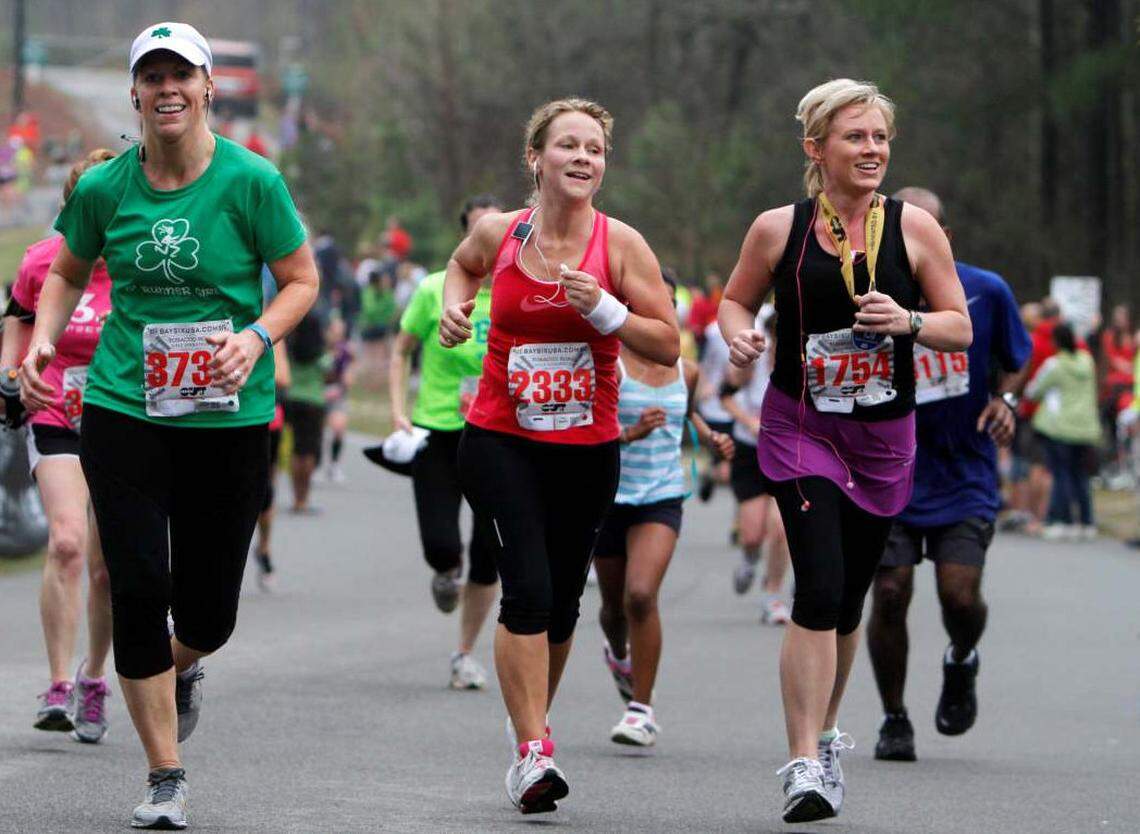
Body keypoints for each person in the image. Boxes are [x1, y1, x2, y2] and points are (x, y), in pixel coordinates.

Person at [18, 22, 317, 829]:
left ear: (208, 86)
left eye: (180, 74)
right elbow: (65, 271)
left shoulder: (253, 181)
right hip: (123, 409)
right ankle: (164, 775)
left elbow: (300, 280)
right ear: (136, 95)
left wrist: (255, 337)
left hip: (227, 416)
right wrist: (45, 333)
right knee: (140, 585)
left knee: (210, 615)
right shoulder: (105, 187)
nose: (166, 89)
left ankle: (181, 669)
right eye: (151, 77)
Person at [718, 79, 971, 823]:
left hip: (883, 441)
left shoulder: (916, 229)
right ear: (816, 148)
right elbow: (737, 297)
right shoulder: (777, 229)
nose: (872, 150)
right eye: (855, 137)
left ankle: (827, 735)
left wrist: (912, 322)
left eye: (880, 138)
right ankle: (802, 763)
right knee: (819, 588)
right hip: (802, 428)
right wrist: (739, 332)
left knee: (851, 598)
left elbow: (959, 325)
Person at [440, 97, 678, 815]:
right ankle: (532, 752)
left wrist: (604, 309)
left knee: (565, 607)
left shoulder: (622, 245)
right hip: (502, 438)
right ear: (535, 158)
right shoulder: (501, 232)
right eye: (567, 146)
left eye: (595, 149)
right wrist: (457, 307)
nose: (582, 158)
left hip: (586, 444)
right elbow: (461, 265)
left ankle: (533, 725)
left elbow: (666, 343)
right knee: (530, 592)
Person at [866, 187, 1031, 762]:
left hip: (964, 470)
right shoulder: (866, 291)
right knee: (889, 591)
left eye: (920, 231)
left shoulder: (986, 291)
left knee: (959, 596)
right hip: (889, 465)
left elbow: (1015, 360)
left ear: (944, 237)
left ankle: (961, 658)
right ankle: (894, 718)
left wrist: (1005, 403)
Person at [1, 149, 116, 744]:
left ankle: (94, 677)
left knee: (107, 567)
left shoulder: (140, 264)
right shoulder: (45, 260)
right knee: (68, 542)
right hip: (55, 412)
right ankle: (57, 684)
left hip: (124, 420)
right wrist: (10, 374)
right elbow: (18, 317)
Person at [593, 274, 734, 747]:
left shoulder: (686, 371)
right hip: (609, 495)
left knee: (639, 595)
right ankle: (619, 655)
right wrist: (628, 434)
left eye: (668, 303)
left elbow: (684, 410)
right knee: (613, 609)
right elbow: (588, 433)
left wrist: (710, 436)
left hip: (661, 494)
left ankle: (641, 710)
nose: (662, 311)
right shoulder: (610, 363)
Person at [386, 193, 503, 690]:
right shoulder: (436, 289)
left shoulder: (519, 292)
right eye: (477, 231)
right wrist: (397, 411)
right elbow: (401, 350)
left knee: (489, 551)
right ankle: (444, 568)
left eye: (495, 232)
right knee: (442, 543)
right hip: (436, 427)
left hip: (499, 432)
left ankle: (463, 653)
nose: (487, 241)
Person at [720, 309, 792, 625]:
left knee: (779, 529)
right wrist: (748, 421)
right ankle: (750, 559)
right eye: (777, 336)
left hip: (787, 452)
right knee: (751, 535)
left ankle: (773, 596)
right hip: (751, 452)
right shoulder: (755, 360)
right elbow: (725, 396)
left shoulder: (802, 361)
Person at [1026, 321, 1101, 540]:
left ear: (1056, 341)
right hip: (1085, 427)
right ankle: (1087, 522)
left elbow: (1034, 390)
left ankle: (1062, 520)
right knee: (1081, 475)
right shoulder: (1087, 362)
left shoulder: (1055, 365)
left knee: (1061, 474)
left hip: (1060, 427)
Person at [284, 300, 331, 514]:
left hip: (293, 399)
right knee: (309, 449)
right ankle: (305, 496)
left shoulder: (291, 348)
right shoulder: (320, 354)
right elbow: (329, 372)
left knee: (296, 448)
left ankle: (296, 497)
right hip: (314, 401)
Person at [319, 316, 353, 483]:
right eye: (334, 331)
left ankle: (334, 464)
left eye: (341, 332)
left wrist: (342, 386)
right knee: (316, 431)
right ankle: (314, 465)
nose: (337, 335)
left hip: (337, 394)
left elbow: (348, 377)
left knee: (339, 429)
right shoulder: (318, 348)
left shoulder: (345, 352)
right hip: (317, 393)